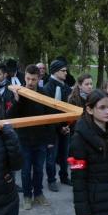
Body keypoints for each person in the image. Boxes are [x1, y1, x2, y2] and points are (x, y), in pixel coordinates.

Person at [7, 65, 56, 210]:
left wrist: (50, 140)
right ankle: (27, 196)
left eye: (33, 79)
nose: (30, 82)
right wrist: (16, 101)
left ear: (39, 78)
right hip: (23, 140)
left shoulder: (44, 93)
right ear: (25, 77)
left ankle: (39, 194)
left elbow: (51, 117)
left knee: (39, 169)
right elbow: (9, 117)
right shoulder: (18, 92)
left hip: (40, 140)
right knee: (26, 170)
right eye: (28, 78)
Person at [44, 59, 73, 191]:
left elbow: (71, 107)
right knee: (51, 155)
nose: (66, 73)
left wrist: (67, 125)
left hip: (66, 127)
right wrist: (58, 127)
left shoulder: (66, 87)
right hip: (51, 129)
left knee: (64, 154)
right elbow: (48, 111)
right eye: (63, 70)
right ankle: (51, 179)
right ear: (55, 71)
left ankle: (64, 176)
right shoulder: (47, 88)